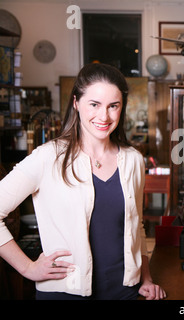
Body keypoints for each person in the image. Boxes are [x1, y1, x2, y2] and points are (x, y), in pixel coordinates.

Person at [0, 63, 166, 300]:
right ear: (76, 103)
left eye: (113, 106)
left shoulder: (133, 160)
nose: (104, 116)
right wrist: (27, 268)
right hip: (64, 291)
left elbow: (136, 227)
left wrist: (146, 279)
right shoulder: (48, 157)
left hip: (124, 291)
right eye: (94, 104)